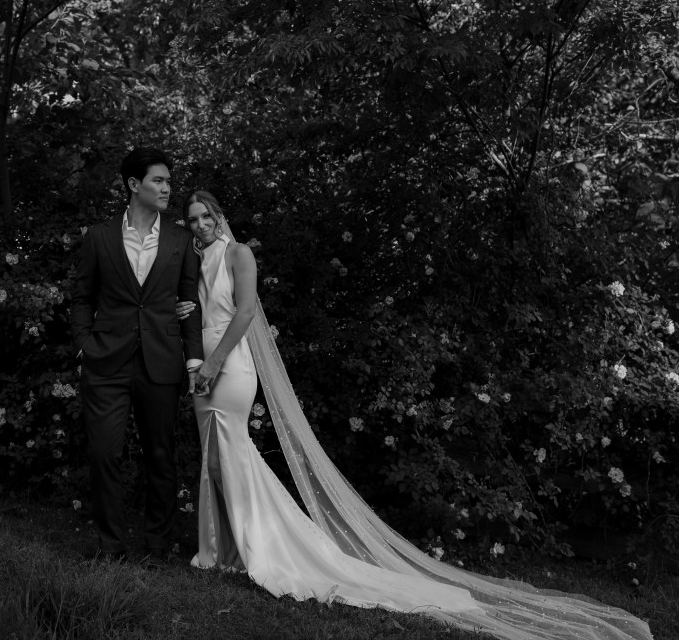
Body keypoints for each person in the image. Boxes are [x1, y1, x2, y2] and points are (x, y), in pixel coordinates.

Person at [177, 189, 654, 640]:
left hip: (230, 364)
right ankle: (225, 549)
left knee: (230, 451)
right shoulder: (195, 260)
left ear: (219, 216)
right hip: (202, 363)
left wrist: (215, 362)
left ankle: (259, 550)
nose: (200, 225)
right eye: (192, 219)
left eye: (206, 216)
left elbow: (244, 313)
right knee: (215, 458)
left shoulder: (239, 254)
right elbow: (197, 310)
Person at [69, 147, 204, 567]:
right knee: (104, 453)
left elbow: (190, 305)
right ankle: (111, 545)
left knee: (160, 455)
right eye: (158, 181)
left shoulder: (181, 240)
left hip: (161, 360)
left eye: (168, 181)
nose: (167, 188)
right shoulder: (99, 236)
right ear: (133, 184)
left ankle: (158, 545)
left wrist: (194, 359)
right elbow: (81, 297)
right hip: (106, 361)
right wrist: (83, 343)